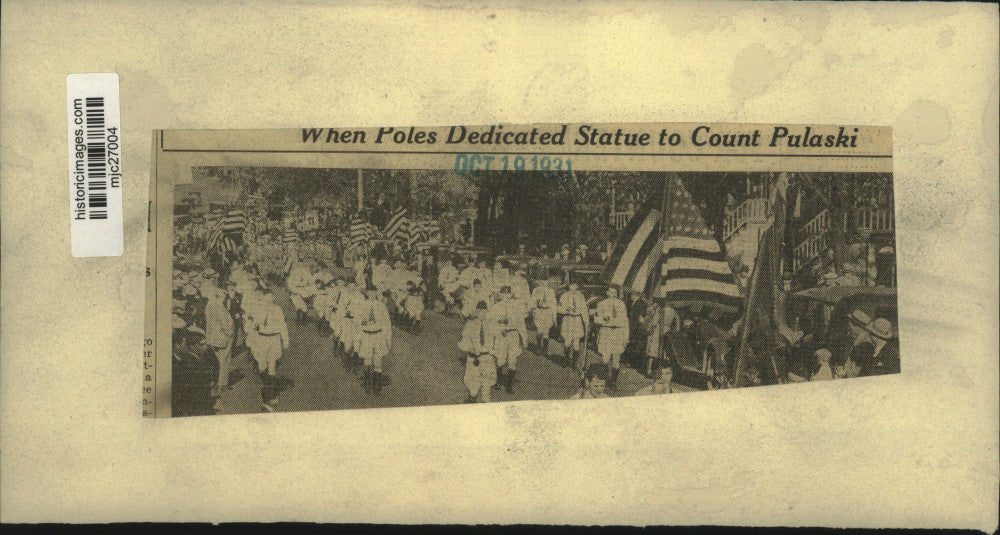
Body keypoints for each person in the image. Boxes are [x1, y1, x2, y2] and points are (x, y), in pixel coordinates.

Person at [245, 290, 290, 412]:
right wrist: (250, 340)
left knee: (272, 365)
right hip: (261, 339)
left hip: (274, 339)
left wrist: (285, 340)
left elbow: (282, 325)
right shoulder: (256, 309)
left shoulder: (277, 309)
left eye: (271, 298)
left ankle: (269, 392)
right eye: (267, 298)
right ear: (263, 298)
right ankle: (266, 384)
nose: (269, 300)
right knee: (262, 365)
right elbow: (249, 326)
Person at [458, 301, 497, 403]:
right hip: (474, 357)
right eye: (480, 311)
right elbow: (464, 340)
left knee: (487, 380)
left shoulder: (491, 325)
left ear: (487, 312)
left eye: (484, 311)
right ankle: (472, 396)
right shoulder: (470, 325)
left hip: (487, 356)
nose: (482, 314)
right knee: (472, 379)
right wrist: (470, 348)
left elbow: (497, 340)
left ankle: (485, 401)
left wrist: (494, 351)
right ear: (476, 312)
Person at [357, 282, 392, 395]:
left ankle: (377, 384)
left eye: (373, 292)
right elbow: (357, 320)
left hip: (378, 335)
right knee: (367, 359)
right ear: (366, 293)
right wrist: (362, 323)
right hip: (366, 335)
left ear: (376, 293)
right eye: (369, 292)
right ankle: (367, 382)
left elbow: (387, 322)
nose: (371, 294)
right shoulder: (362, 304)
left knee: (377, 359)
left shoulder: (381, 306)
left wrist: (387, 337)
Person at [594, 285, 629, 391]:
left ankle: (613, 383)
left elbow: (625, 321)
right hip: (606, 332)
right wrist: (603, 319)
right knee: (605, 358)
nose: (613, 295)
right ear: (607, 293)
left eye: (615, 293)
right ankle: (604, 380)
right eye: (611, 292)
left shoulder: (621, 304)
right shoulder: (602, 304)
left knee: (616, 359)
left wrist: (626, 336)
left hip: (618, 333)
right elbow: (596, 319)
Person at [492, 285, 527, 394]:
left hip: (513, 334)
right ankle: (498, 381)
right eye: (503, 294)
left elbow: (521, 324)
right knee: (500, 360)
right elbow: (491, 323)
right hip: (501, 335)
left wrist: (524, 338)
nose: (505, 296)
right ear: (500, 294)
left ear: (511, 294)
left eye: (508, 294)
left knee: (512, 360)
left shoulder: (516, 307)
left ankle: (509, 385)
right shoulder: (496, 307)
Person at [203, 283, 234, 398]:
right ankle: (222, 384)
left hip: (212, 338)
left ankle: (216, 383)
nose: (225, 298)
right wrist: (230, 333)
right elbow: (224, 324)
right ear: (220, 296)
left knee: (217, 361)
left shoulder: (209, 306)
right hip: (223, 338)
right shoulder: (220, 307)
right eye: (224, 296)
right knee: (224, 360)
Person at [644, 301, 679, 377]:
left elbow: (654, 322)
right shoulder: (673, 310)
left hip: (658, 330)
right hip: (667, 330)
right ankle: (663, 370)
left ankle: (649, 371)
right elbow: (677, 321)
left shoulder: (660, 309)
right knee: (664, 352)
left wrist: (649, 329)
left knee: (652, 351)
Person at [558, 282, 589, 370]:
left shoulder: (580, 296)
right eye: (571, 285)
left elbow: (584, 309)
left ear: (577, 286)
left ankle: (574, 363)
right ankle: (566, 360)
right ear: (569, 286)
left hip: (577, 320)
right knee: (567, 342)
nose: (573, 287)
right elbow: (559, 308)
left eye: (575, 285)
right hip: (568, 319)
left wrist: (586, 321)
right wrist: (565, 310)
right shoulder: (564, 296)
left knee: (576, 343)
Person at [838, 310, 872, 378]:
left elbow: (856, 373)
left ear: (857, 327)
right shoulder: (858, 340)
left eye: (850, 326)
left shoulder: (864, 346)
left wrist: (843, 373)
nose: (848, 329)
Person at [530, 278, 558, 355]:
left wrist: (554, 318)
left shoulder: (551, 291)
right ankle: (538, 347)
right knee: (539, 331)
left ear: (548, 282)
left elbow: (553, 304)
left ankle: (545, 349)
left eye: (545, 281)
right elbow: (532, 302)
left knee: (546, 332)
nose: (543, 283)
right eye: (541, 281)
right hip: (539, 311)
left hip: (547, 312)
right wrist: (534, 309)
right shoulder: (536, 290)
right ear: (539, 282)